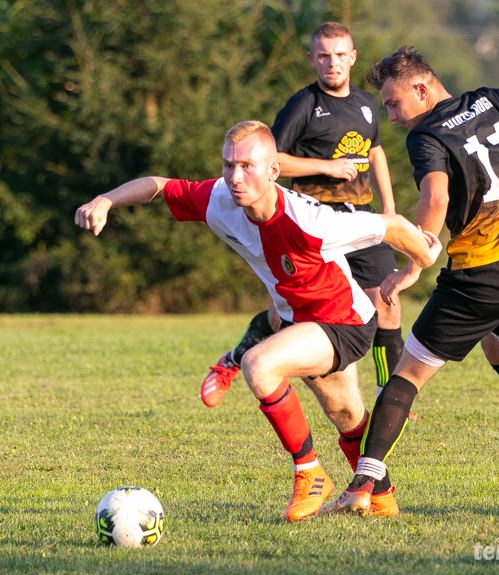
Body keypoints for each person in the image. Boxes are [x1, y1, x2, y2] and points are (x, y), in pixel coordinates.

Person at [76, 121, 441, 521]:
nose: (235, 177)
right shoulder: (219, 198)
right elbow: (159, 185)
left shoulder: (311, 222)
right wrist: (106, 200)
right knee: (346, 416)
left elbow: (394, 227)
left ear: (273, 171)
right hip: (297, 322)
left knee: (260, 364)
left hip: (346, 322)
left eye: (247, 166)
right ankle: (382, 496)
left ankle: (310, 474)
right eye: (228, 165)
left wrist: (418, 267)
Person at [321, 29, 499, 515]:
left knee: (407, 375)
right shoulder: (493, 100)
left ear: (422, 89)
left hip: (481, 277)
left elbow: (436, 198)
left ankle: (362, 487)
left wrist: (413, 265)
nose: (393, 117)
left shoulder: (427, 134)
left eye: (394, 104)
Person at [200, 22, 413, 424]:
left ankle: (391, 395)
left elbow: (376, 152)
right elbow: (273, 158)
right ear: (312, 60)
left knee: (387, 300)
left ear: (352, 57)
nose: (332, 63)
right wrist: (325, 167)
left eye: (340, 55)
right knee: (286, 315)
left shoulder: (368, 103)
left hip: (361, 218)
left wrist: (389, 207)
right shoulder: (303, 105)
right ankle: (233, 359)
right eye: (323, 56)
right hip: (315, 225)